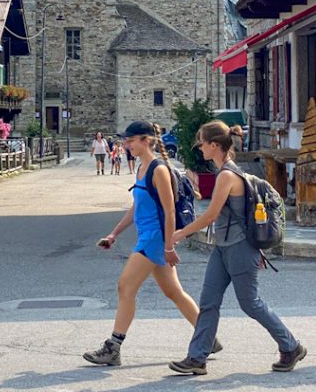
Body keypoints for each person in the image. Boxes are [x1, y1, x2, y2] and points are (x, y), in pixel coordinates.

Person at [168, 120, 306, 376]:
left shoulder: (228, 176)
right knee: (208, 302)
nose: (199, 148)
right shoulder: (226, 173)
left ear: (215, 145)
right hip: (223, 248)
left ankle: (291, 346)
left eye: (202, 143)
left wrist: (179, 234)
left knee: (250, 303)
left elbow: (210, 215)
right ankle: (197, 357)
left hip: (240, 248)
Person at [83, 121, 220, 368]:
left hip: (155, 239)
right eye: (125, 141)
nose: (126, 145)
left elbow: (169, 212)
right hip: (149, 236)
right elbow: (137, 207)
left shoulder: (159, 170)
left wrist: (168, 247)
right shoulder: (141, 169)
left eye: (130, 141)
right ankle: (208, 339)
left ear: (146, 140)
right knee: (174, 292)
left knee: (125, 287)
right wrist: (114, 234)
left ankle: (113, 348)